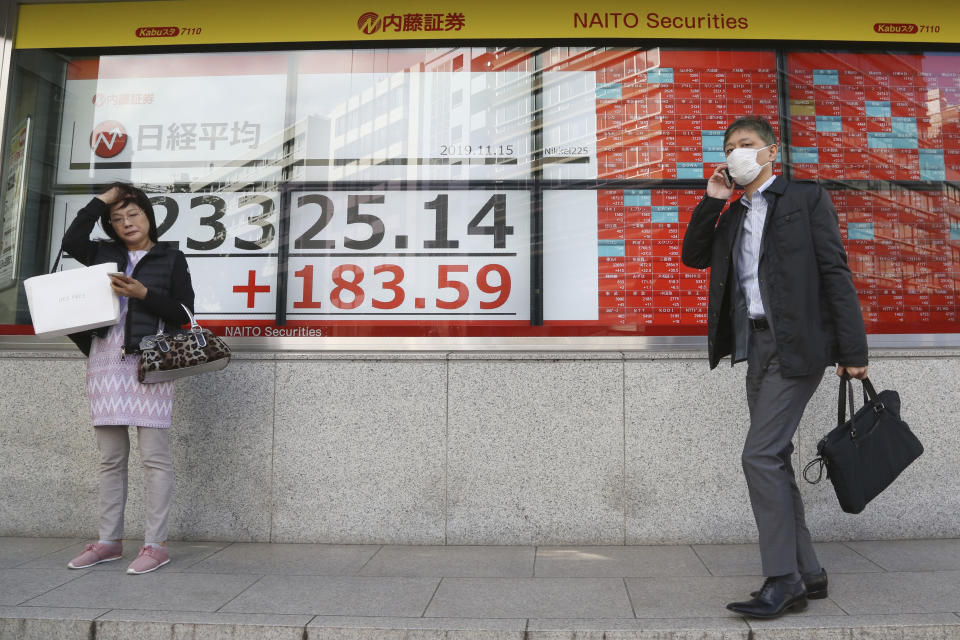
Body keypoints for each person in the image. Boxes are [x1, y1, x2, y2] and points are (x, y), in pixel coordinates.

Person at [681, 116, 868, 619]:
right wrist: (713, 200)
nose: (737, 153)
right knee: (776, 456)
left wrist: (854, 352)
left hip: (798, 346)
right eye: (729, 147)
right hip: (756, 348)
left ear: (770, 151)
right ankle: (808, 571)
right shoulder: (735, 213)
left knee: (758, 456)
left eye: (746, 145)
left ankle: (783, 579)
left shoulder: (806, 199)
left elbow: (834, 271)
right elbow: (693, 258)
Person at [61, 183, 195, 575]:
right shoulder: (102, 254)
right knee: (110, 459)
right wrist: (105, 198)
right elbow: (72, 238)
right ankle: (108, 541)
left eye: (133, 214)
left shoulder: (171, 258)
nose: (126, 223)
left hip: (150, 360)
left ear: (149, 216)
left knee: (154, 458)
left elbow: (184, 314)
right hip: (105, 360)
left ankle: (155, 544)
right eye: (117, 218)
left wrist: (143, 293)